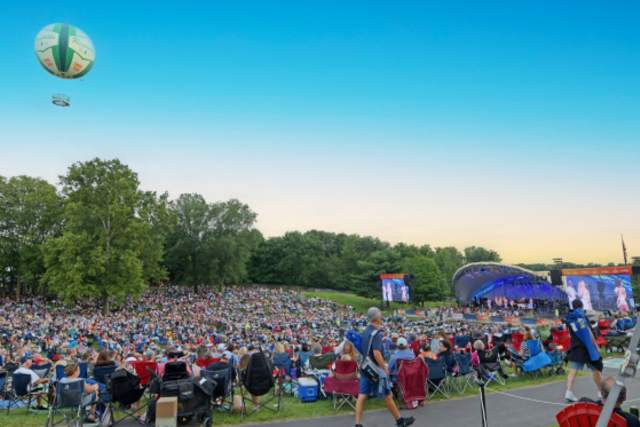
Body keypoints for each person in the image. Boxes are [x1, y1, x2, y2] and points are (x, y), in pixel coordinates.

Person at [354, 307, 414, 427]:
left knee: (362, 396)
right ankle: (400, 421)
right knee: (387, 395)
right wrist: (384, 367)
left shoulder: (365, 332)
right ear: (376, 318)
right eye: (380, 315)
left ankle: (358, 424)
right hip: (375, 370)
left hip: (366, 368)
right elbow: (377, 353)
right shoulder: (376, 334)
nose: (381, 317)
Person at [564, 299, 603, 402]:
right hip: (587, 347)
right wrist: (596, 346)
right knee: (596, 369)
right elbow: (589, 333)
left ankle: (568, 392)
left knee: (573, 370)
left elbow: (570, 333)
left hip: (576, 346)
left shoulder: (569, 318)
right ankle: (600, 392)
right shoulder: (582, 316)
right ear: (581, 306)